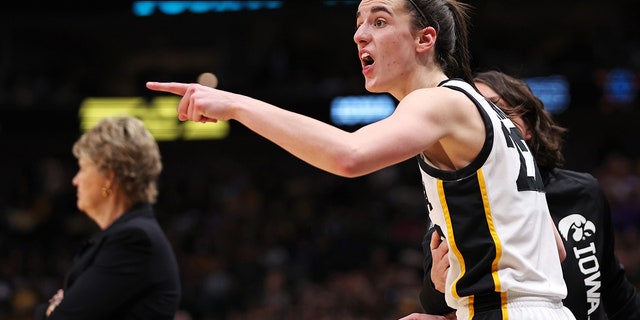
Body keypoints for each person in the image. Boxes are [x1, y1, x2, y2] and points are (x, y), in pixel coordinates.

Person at [146, 0, 574, 318]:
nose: (359, 35)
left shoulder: (439, 102)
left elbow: (348, 156)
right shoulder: (482, 109)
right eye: (359, 23)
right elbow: (552, 247)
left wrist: (236, 105)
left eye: (380, 21)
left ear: (425, 39)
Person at [410, 70, 640, 320]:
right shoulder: (454, 203)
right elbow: (433, 303)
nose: (486, 121)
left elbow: (616, 289)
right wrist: (436, 284)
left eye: (496, 110)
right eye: (474, 114)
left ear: (527, 127)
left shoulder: (583, 191)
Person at [33, 116, 181, 320]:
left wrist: (52, 309)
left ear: (108, 176)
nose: (75, 180)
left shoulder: (134, 240)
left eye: (83, 168)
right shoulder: (129, 235)